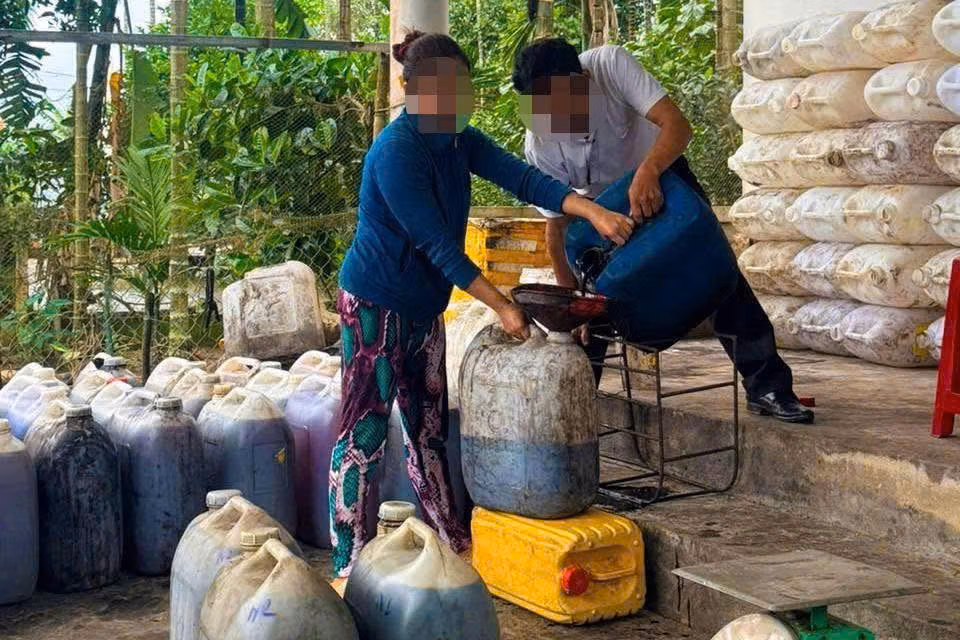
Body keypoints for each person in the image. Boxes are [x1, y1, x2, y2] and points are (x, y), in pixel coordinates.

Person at [330, 30, 636, 578]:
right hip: (376, 306)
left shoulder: (458, 140)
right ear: (414, 91)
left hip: (424, 308)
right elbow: (437, 245)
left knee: (428, 429)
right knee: (365, 433)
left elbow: (523, 178)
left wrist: (588, 210)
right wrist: (503, 306)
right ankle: (348, 561)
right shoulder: (396, 152)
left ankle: (451, 541)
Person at [513, 38, 814, 425]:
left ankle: (768, 387)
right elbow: (557, 227)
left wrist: (650, 170)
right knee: (593, 306)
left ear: (583, 79)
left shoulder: (610, 65)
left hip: (661, 177)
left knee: (716, 277)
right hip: (601, 211)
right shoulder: (538, 144)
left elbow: (677, 125)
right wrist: (573, 304)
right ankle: (575, 413)